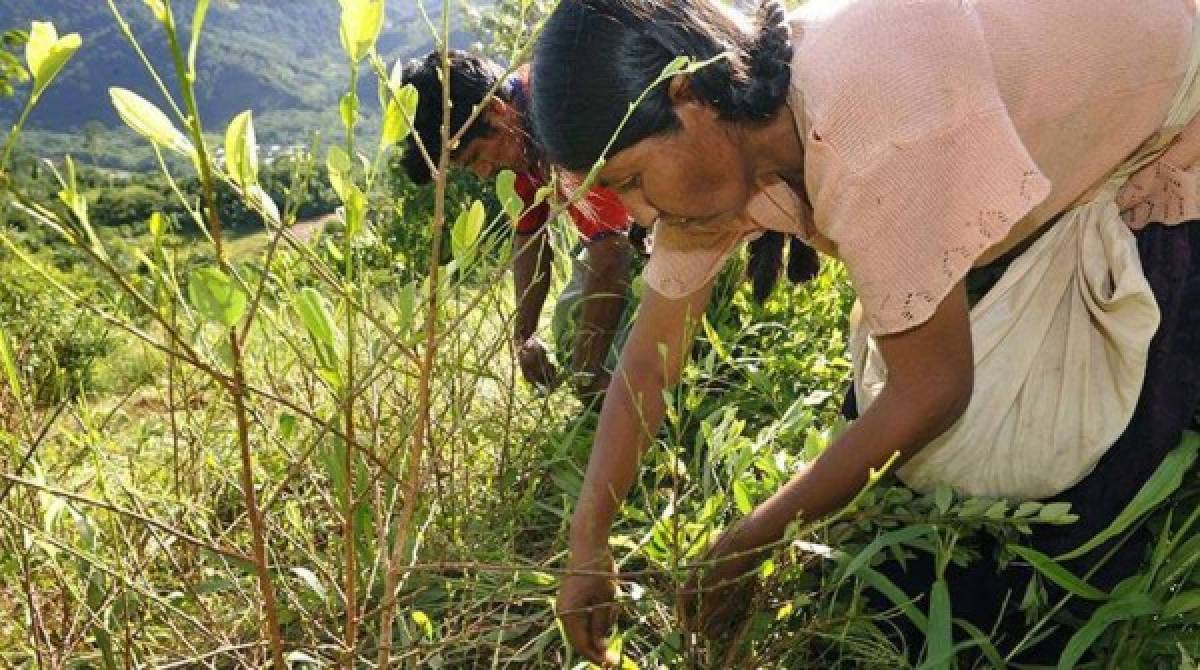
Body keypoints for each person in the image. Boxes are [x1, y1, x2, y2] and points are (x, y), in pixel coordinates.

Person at [529, 0, 1200, 663]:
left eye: (634, 180)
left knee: (1055, 535)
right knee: (899, 508)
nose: (642, 215)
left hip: (1167, 123)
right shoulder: (736, 137)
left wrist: (748, 542)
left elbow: (934, 388)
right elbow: (649, 365)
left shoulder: (865, 117)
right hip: (1063, 146)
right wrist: (588, 542)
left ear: (689, 98)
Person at [399, 50, 635, 397]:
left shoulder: (561, 114)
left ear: (496, 110)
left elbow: (612, 252)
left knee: (620, 357)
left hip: (673, 213)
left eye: (476, 156)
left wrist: (588, 372)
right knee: (572, 327)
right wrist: (524, 336)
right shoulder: (519, 140)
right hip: (619, 233)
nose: (483, 173)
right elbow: (530, 237)